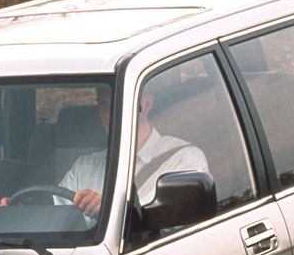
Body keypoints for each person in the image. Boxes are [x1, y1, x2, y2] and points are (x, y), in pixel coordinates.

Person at [61, 83, 208, 217]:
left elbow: (180, 223)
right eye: (103, 104)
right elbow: (55, 216)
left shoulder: (183, 159)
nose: (107, 113)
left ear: (146, 105)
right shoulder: (84, 167)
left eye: (118, 104)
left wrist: (112, 213)